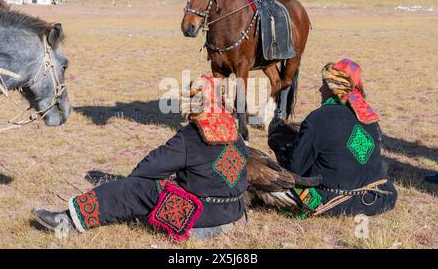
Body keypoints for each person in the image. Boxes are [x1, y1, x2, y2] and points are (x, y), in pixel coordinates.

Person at [33, 75, 249, 241]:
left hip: (197, 219)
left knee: (134, 188)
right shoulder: (235, 132)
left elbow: (145, 170)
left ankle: (70, 219)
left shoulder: (190, 136)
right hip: (234, 213)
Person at [269, 58, 397, 217]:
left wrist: (278, 142)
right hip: (376, 198)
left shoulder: (319, 118)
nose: (320, 89)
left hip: (335, 201)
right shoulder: (369, 117)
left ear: (333, 88)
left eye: (324, 84)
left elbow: (296, 170)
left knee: (280, 141)